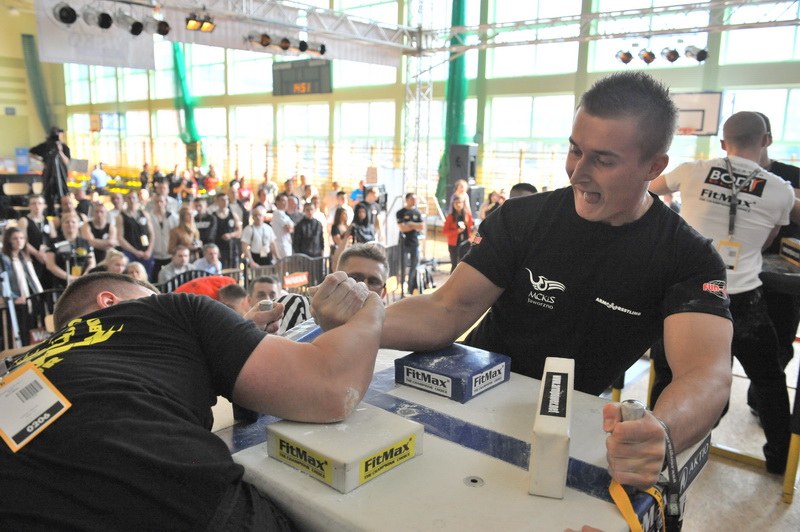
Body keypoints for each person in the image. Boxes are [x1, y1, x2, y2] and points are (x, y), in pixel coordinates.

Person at [354, 72, 734, 491]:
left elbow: (705, 375)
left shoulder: (688, 257)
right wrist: (357, 320)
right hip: (466, 401)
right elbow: (447, 308)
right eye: (575, 150)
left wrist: (662, 431)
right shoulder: (522, 219)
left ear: (654, 167)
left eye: (604, 160)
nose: (577, 173)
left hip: (565, 426)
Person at [0, 270, 382, 529]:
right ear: (109, 301)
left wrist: (231, 342)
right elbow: (332, 388)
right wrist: (372, 309)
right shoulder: (169, 309)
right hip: (171, 499)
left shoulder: (20, 369)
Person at [649, 111, 795, 474]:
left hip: (690, 292)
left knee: (672, 373)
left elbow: (646, 190)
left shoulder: (691, 171)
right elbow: (768, 241)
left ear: (722, 143)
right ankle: (780, 459)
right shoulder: (779, 189)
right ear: (766, 141)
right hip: (743, 298)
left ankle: (654, 450)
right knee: (769, 379)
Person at [755, 112, 800, 380]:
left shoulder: (790, 176)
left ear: (767, 140)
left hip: (782, 276)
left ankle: (760, 398)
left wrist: (782, 195)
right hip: (737, 273)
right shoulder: (726, 173)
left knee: (777, 349)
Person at [1, 227, 45, 345]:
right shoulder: (3, 258)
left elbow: (32, 280)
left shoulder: (23, 257)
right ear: (8, 240)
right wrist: (13, 298)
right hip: (13, 302)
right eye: (15, 238)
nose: (19, 241)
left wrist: (40, 295)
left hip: (29, 300)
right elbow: (3, 283)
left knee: (30, 331)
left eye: (21, 238)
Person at [45, 212, 96, 288]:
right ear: (62, 225)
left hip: (83, 283)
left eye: (73, 222)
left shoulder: (85, 242)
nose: (70, 224)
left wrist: (83, 277)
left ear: (78, 225)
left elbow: (92, 263)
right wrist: (70, 278)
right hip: (60, 284)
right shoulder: (54, 242)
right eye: (67, 222)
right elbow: (50, 265)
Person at [16, 194, 57, 288]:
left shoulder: (48, 221)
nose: (37, 206)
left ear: (44, 205)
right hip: (31, 257)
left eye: (39, 203)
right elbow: (22, 241)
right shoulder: (24, 220)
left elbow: (54, 239)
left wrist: (46, 252)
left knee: (48, 284)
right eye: (34, 203)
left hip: (46, 257)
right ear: (29, 206)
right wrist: (37, 253)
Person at [29, 126, 70, 217]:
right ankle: (49, 216)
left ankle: (63, 216)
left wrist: (60, 151)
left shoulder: (64, 147)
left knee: (63, 197)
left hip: (61, 176)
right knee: (48, 196)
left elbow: (67, 161)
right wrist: (42, 160)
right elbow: (31, 152)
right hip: (48, 175)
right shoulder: (45, 146)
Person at [117, 193, 155, 280]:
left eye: (133, 198)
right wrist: (135, 251)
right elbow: (120, 238)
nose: (131, 200)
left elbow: (152, 233)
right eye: (129, 198)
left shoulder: (144, 214)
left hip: (146, 252)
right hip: (130, 252)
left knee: (147, 277)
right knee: (132, 278)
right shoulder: (121, 216)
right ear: (125, 200)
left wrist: (149, 250)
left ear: (137, 199)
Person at [396, 192, 425, 295]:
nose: (414, 201)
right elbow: (402, 228)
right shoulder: (400, 212)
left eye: (415, 199)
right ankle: (401, 287)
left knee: (414, 265)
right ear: (407, 199)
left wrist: (410, 224)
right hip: (404, 242)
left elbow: (422, 226)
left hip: (414, 242)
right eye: (412, 199)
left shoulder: (417, 212)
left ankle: (410, 287)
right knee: (403, 265)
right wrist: (414, 226)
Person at [441, 194, 474, 273]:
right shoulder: (450, 217)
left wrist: (472, 239)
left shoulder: (467, 215)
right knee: (455, 264)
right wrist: (457, 231)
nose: (458, 205)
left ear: (463, 204)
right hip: (454, 244)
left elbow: (472, 229)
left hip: (466, 243)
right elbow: (444, 232)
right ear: (453, 204)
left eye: (460, 202)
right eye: (456, 203)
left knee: (465, 264)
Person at [81, 200, 117, 265]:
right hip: (91, 257)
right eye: (97, 212)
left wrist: (94, 242)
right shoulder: (86, 225)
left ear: (106, 213)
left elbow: (112, 243)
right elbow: (89, 242)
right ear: (93, 213)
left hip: (106, 258)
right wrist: (107, 243)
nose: (99, 214)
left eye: (101, 212)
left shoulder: (111, 227)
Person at [270, 193, 295, 260]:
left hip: (286, 244)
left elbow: (293, 229)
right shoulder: (278, 213)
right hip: (281, 246)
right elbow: (288, 229)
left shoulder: (285, 215)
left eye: (287, 201)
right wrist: (291, 228)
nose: (286, 203)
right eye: (283, 200)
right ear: (277, 202)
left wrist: (292, 228)